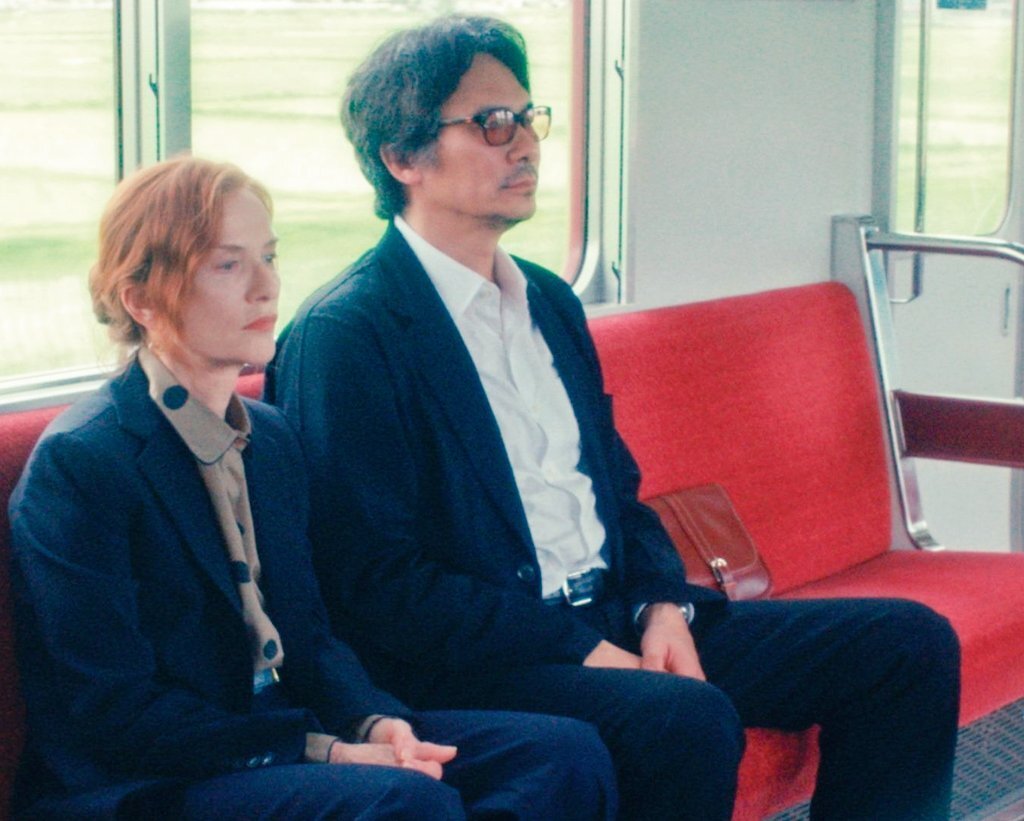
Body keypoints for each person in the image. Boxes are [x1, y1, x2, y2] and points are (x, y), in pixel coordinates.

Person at [266, 15, 962, 821]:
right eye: (492, 123)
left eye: (529, 117)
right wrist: (582, 649)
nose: (526, 144)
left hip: (612, 614)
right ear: (402, 158)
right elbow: (377, 582)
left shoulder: (548, 301)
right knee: (686, 718)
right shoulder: (349, 335)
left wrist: (660, 605)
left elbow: (617, 496)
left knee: (907, 645)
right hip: (483, 659)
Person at [7, 155, 618, 821]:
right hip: (152, 777)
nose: (267, 287)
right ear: (142, 299)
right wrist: (322, 751)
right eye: (228, 265)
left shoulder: (270, 438)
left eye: (269, 257)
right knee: (403, 800)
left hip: (285, 729)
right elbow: (115, 710)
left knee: (562, 754)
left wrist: (373, 720)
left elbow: (311, 636)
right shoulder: (82, 464)